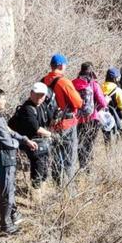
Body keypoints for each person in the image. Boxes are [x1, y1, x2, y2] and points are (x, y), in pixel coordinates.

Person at [0, 87, 37, 233]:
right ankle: (6, 224)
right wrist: (19, 145)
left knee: (9, 189)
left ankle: (11, 216)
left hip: (7, 155)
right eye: (3, 98)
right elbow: (7, 141)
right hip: (5, 156)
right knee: (7, 190)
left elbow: (10, 132)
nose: (5, 101)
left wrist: (24, 139)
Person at [42, 54, 83, 186]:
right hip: (66, 123)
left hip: (50, 125)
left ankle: (56, 186)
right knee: (69, 159)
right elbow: (78, 103)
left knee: (55, 158)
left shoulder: (43, 80)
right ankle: (68, 191)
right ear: (61, 65)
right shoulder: (64, 82)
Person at [9, 83, 53, 188]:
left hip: (38, 139)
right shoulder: (27, 109)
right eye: (37, 94)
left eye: (42, 95)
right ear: (31, 93)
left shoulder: (43, 105)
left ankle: (42, 184)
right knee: (39, 158)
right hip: (25, 139)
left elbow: (51, 120)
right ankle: (36, 188)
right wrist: (52, 134)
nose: (39, 97)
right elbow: (36, 129)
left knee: (45, 161)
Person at [73, 62, 108, 170]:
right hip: (92, 119)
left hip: (77, 119)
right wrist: (95, 110)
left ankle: (82, 167)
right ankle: (89, 168)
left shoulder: (73, 83)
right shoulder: (93, 84)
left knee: (80, 143)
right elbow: (103, 103)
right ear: (92, 71)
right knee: (90, 144)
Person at [101, 68, 122, 141]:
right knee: (118, 133)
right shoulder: (117, 90)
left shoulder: (100, 88)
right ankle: (117, 146)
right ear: (115, 78)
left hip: (104, 116)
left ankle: (108, 148)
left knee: (106, 133)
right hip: (116, 115)